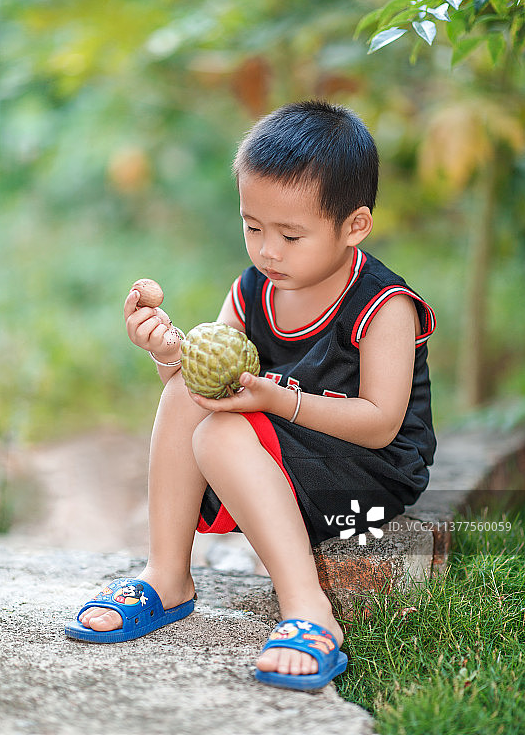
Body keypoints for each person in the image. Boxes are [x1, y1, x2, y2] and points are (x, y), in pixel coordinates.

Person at [65, 100, 436, 692]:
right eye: (253, 226)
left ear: (354, 225)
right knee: (195, 400)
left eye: (291, 234)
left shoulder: (382, 305)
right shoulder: (253, 289)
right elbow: (204, 389)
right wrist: (168, 352)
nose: (268, 251)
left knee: (223, 430)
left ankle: (308, 611)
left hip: (365, 472)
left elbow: (380, 423)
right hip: (280, 452)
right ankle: (167, 578)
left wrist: (274, 400)